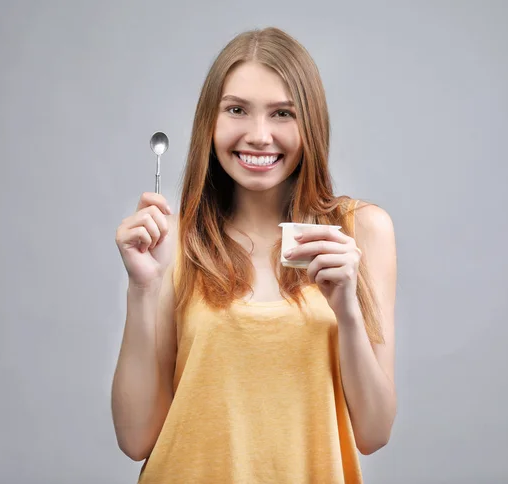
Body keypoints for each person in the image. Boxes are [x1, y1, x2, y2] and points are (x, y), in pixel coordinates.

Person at [112, 26, 397, 484]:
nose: (259, 135)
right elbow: (135, 439)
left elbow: (375, 431)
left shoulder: (361, 231)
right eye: (237, 110)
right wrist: (142, 288)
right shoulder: (174, 239)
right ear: (211, 121)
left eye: (283, 113)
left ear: (312, 123)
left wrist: (347, 311)